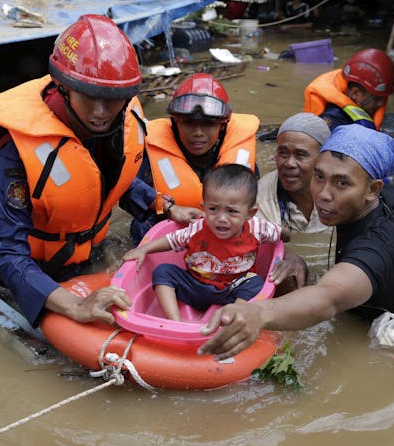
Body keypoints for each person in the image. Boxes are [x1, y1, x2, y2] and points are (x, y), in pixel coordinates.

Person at [197, 124, 394, 359]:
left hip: (393, 336)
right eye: (319, 177)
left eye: (341, 184)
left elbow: (327, 297)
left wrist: (259, 313)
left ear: (372, 189)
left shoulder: (376, 247)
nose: (323, 194)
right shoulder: (392, 197)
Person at [0, 14, 166, 327]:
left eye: (111, 100)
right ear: (63, 87)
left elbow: (113, 178)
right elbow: (6, 253)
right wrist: (75, 306)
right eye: (89, 98)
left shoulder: (122, 115)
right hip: (33, 268)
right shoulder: (18, 145)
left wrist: (163, 205)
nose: (100, 113)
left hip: (89, 251)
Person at [122, 165, 283, 321]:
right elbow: (172, 240)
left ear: (250, 213)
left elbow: (280, 234)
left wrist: (288, 242)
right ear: (203, 207)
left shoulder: (258, 228)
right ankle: (175, 321)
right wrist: (144, 249)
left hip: (233, 287)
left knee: (255, 282)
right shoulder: (197, 228)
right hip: (194, 285)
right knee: (162, 272)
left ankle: (234, 317)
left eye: (232, 211)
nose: (221, 218)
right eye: (213, 209)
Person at [131, 73, 258, 241]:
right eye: (188, 123)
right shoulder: (150, 153)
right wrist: (168, 207)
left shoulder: (240, 156)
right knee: (140, 227)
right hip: (168, 227)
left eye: (208, 124)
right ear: (175, 122)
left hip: (223, 231)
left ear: (222, 126)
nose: (198, 133)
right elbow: (125, 185)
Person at [256, 112, 332, 235]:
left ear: (322, 159)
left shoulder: (340, 196)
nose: (289, 163)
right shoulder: (260, 197)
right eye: (283, 153)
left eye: (300, 155)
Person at [303, 48, 394, 131]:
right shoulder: (334, 120)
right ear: (355, 93)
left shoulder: (352, 88)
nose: (381, 103)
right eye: (377, 99)